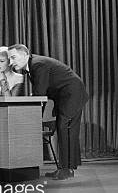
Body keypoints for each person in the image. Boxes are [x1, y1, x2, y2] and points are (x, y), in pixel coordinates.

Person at [7, 44, 89, 181]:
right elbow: (40, 94)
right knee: (64, 129)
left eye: (13, 57)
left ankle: (66, 170)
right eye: (9, 59)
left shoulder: (38, 65)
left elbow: (40, 94)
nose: (11, 62)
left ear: (25, 55)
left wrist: (33, 118)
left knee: (66, 129)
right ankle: (65, 168)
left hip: (72, 94)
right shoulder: (33, 66)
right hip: (65, 96)